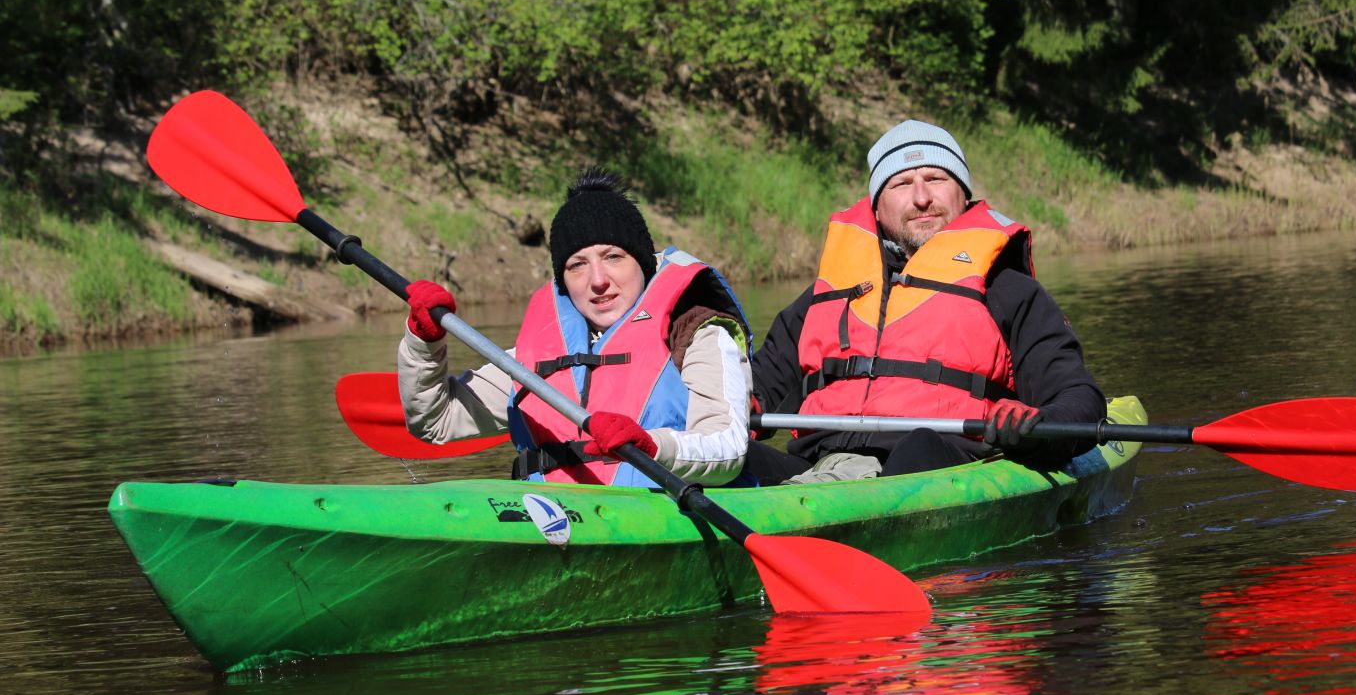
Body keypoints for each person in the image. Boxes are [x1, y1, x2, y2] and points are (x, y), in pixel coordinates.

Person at [748, 119, 1105, 483]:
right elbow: (759, 385)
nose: (921, 198)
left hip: (943, 461)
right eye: (902, 183)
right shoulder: (825, 297)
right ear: (876, 207)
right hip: (820, 463)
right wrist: (730, 407)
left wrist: (1033, 427)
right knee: (735, 462)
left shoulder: (1007, 290)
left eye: (936, 179)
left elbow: (1079, 397)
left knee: (920, 445)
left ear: (963, 195)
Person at [398, 169, 756, 487]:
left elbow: (725, 449)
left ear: (643, 262)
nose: (598, 280)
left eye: (613, 257)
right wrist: (424, 342)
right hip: (557, 516)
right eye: (577, 265)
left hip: (669, 515)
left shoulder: (698, 333)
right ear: (563, 280)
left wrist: (652, 445)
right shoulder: (535, 359)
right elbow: (436, 421)